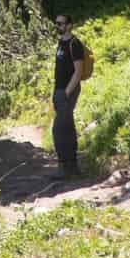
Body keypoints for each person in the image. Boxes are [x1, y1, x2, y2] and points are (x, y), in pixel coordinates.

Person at [51, 15, 88, 178]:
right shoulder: (61, 43)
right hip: (59, 91)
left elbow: (78, 71)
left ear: (69, 26)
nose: (58, 26)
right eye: (56, 23)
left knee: (59, 129)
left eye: (61, 23)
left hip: (68, 91)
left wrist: (66, 92)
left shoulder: (75, 44)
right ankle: (70, 168)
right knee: (66, 127)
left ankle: (66, 168)